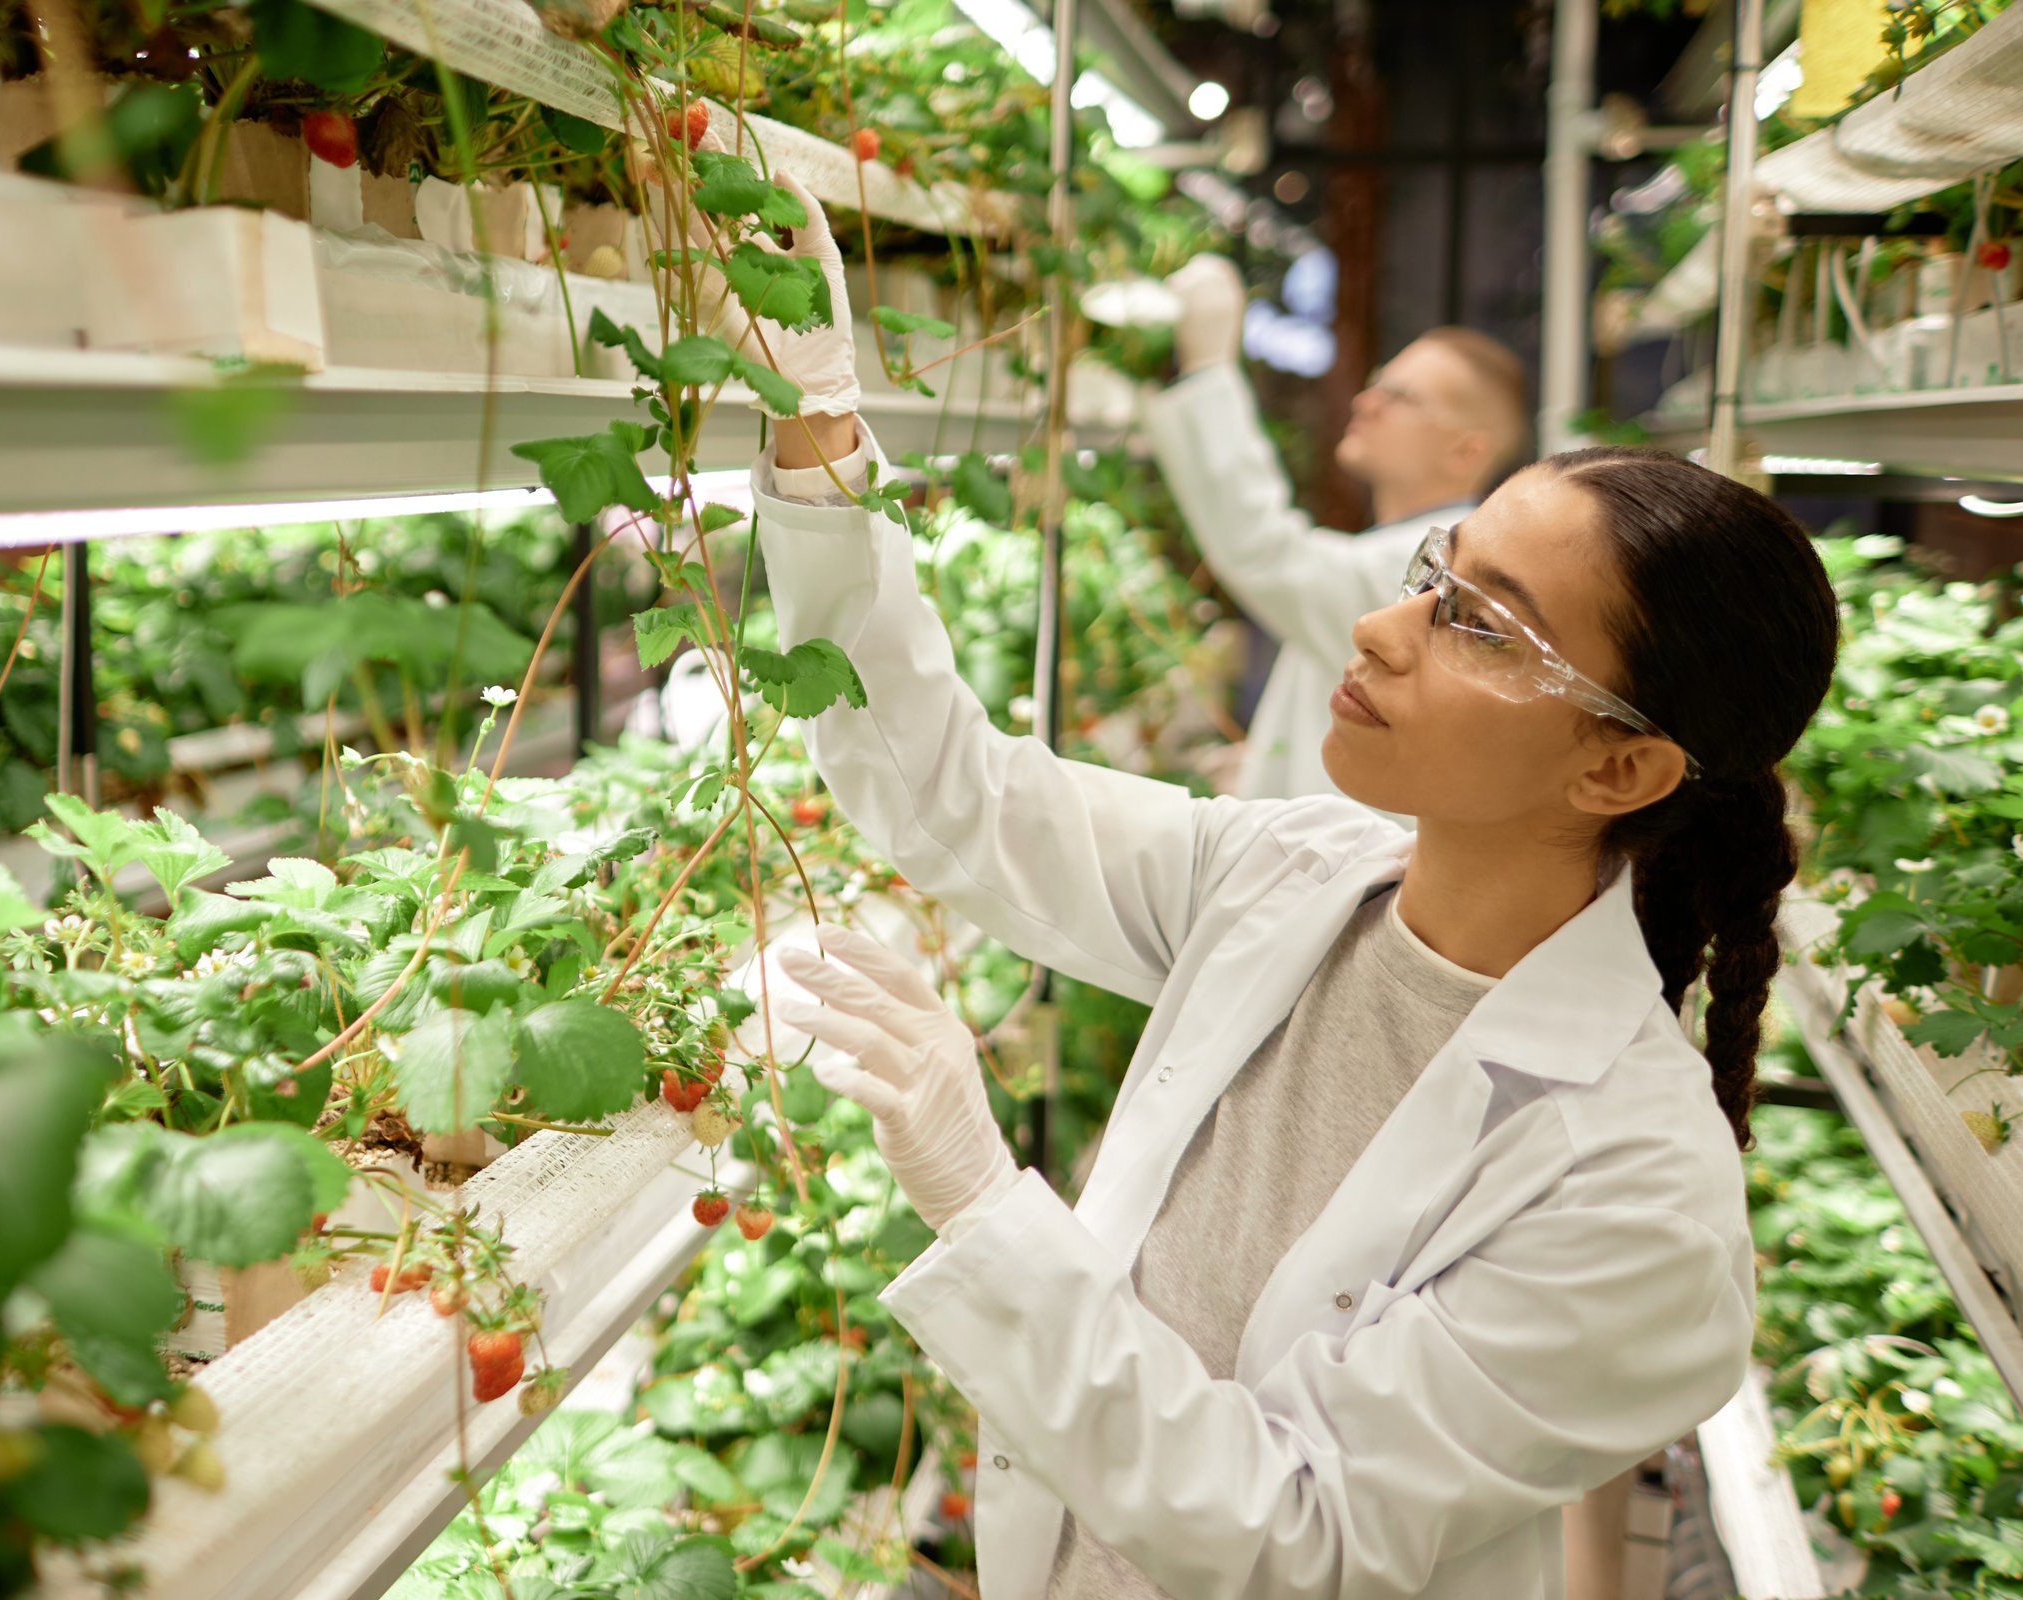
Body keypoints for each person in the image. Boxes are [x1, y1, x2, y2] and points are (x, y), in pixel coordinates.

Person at [731, 172, 1838, 1598]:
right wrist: (820, 432)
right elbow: (954, 794)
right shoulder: (1291, 875)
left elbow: (1291, 1538)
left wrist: (977, 1196)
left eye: (1479, 625)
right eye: (1436, 571)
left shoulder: (1640, 1206)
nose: (1380, 629)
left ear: (1620, 774)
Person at [1145, 256, 1534, 804]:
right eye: (1376, 385)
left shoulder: (1449, 565)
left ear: (1466, 450)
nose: (1364, 402)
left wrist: (1209, 370)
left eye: (1400, 397)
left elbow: (1267, 553)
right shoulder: (1395, 546)